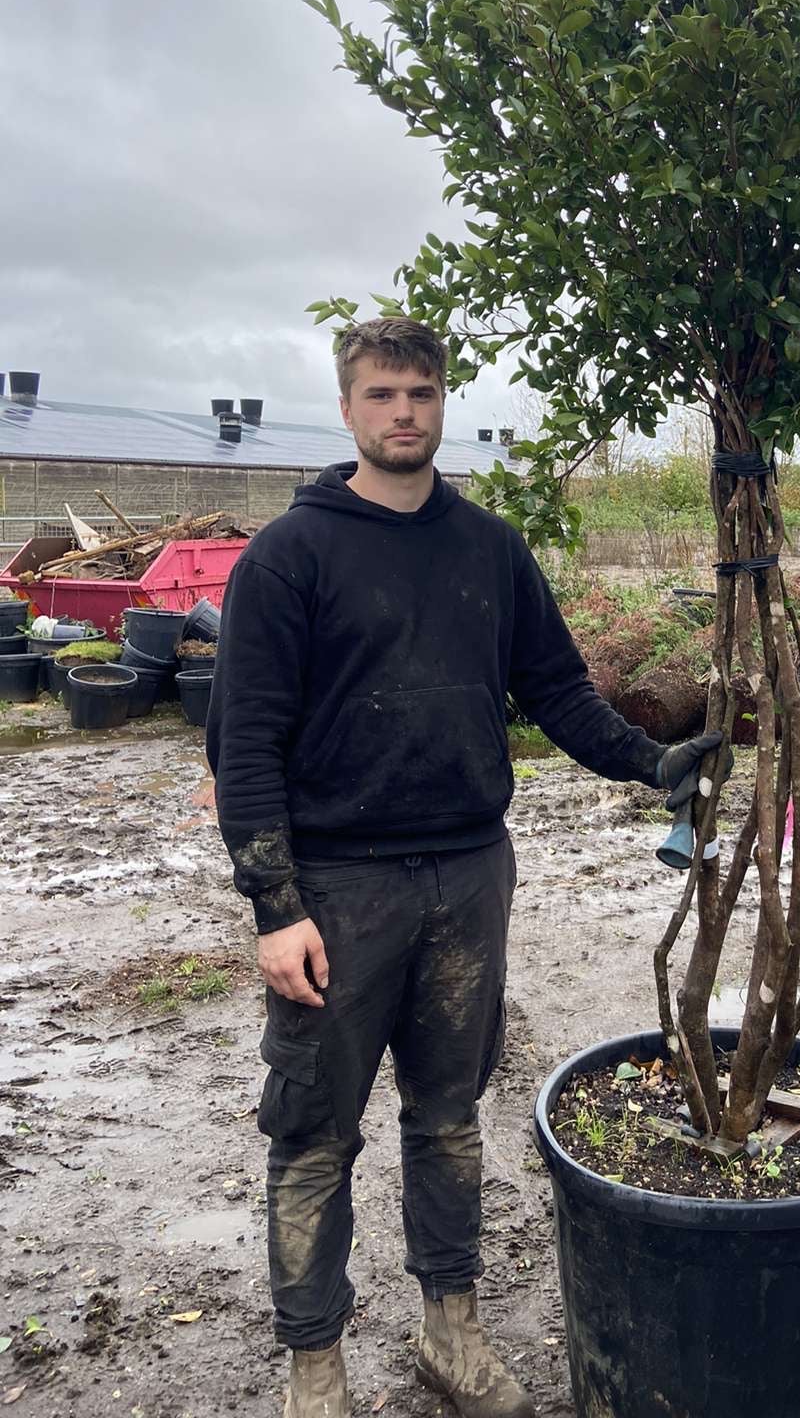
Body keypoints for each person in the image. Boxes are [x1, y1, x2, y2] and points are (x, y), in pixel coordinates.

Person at [207, 318, 721, 1418]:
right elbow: (242, 743)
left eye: (423, 392)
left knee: (447, 1118)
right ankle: (315, 1369)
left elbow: (557, 688)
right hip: (338, 894)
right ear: (347, 409)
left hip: (467, 880)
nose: (404, 411)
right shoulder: (289, 557)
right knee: (313, 1134)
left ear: (443, 405)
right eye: (383, 393)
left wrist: (649, 762)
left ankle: (452, 1329)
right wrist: (275, 903)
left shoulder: (488, 549)